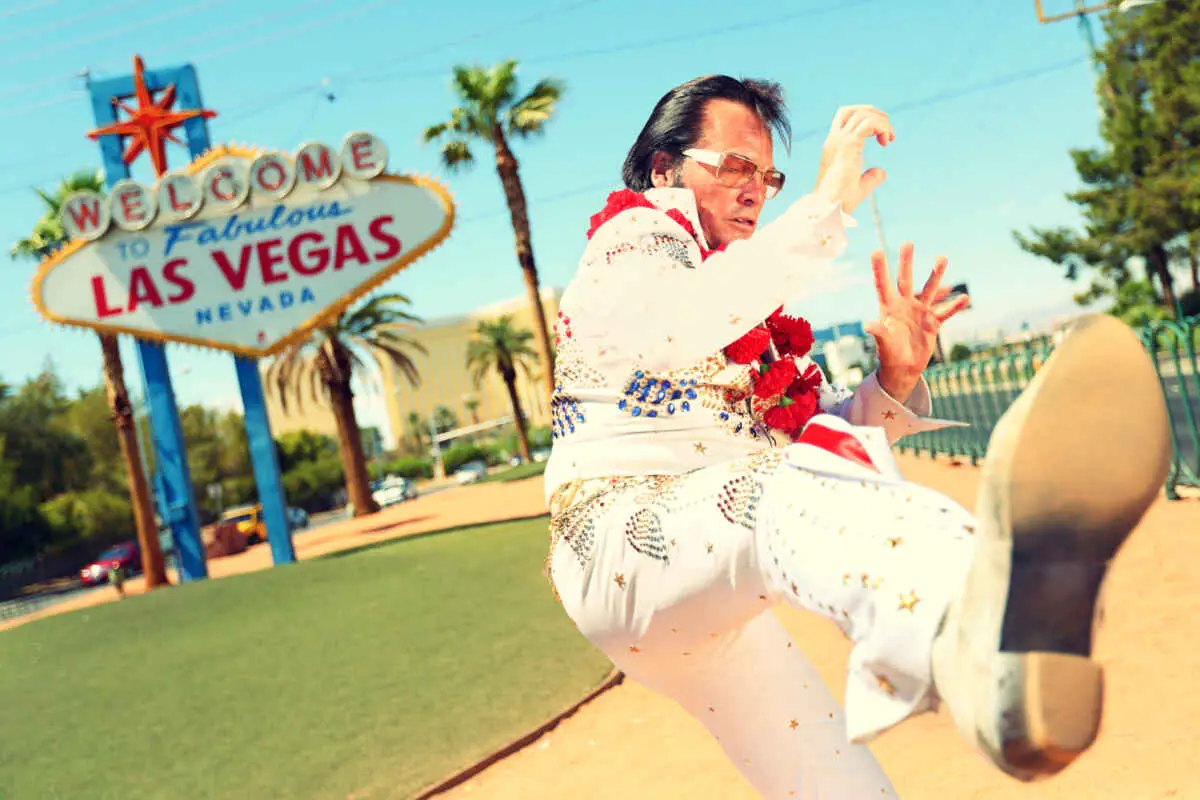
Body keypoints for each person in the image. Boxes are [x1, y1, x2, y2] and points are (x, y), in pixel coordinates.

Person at [542, 74, 1170, 799]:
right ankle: (972, 634)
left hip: (720, 577)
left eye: (768, 175)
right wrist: (826, 203)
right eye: (735, 166)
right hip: (621, 541)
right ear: (664, 169)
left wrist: (892, 381)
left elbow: (812, 437)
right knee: (798, 482)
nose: (755, 189)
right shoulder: (636, 236)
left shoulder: (751, 312)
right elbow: (680, 328)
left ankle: (985, 658)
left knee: (843, 788)